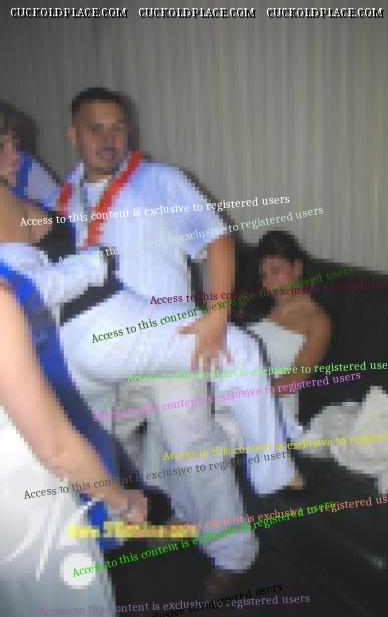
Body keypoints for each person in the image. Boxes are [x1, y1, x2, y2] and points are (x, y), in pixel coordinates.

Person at [56, 86, 299, 592]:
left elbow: (217, 239)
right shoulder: (65, 195)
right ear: (74, 134)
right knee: (98, 452)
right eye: (96, 128)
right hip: (104, 351)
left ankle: (233, 556)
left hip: (173, 344)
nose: (109, 138)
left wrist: (217, 316)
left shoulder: (160, 180)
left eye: (119, 126)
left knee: (196, 452)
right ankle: (162, 520)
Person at [0, 110, 147, 615]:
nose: (16, 156)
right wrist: (88, 267)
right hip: (25, 420)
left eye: (15, 142)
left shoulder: (31, 193)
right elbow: (27, 293)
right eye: (3, 145)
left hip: (49, 356)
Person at [249, 230, 331, 441]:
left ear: (297, 268)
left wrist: (247, 393)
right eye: (264, 276)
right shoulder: (257, 307)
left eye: (276, 271)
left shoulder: (317, 321)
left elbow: (295, 379)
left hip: (273, 403)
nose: (269, 283)